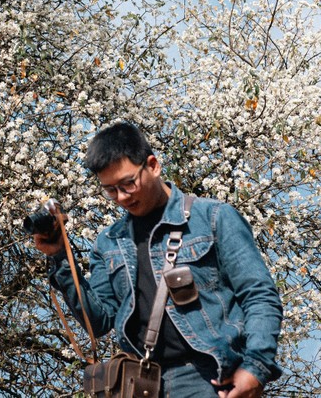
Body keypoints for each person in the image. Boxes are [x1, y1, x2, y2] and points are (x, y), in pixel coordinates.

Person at [34, 122, 282, 398]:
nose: (121, 197)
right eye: (110, 190)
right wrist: (59, 256)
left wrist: (255, 367)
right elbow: (99, 321)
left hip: (206, 377)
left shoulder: (214, 217)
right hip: (137, 383)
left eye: (128, 183)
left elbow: (259, 295)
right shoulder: (109, 241)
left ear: (152, 165)